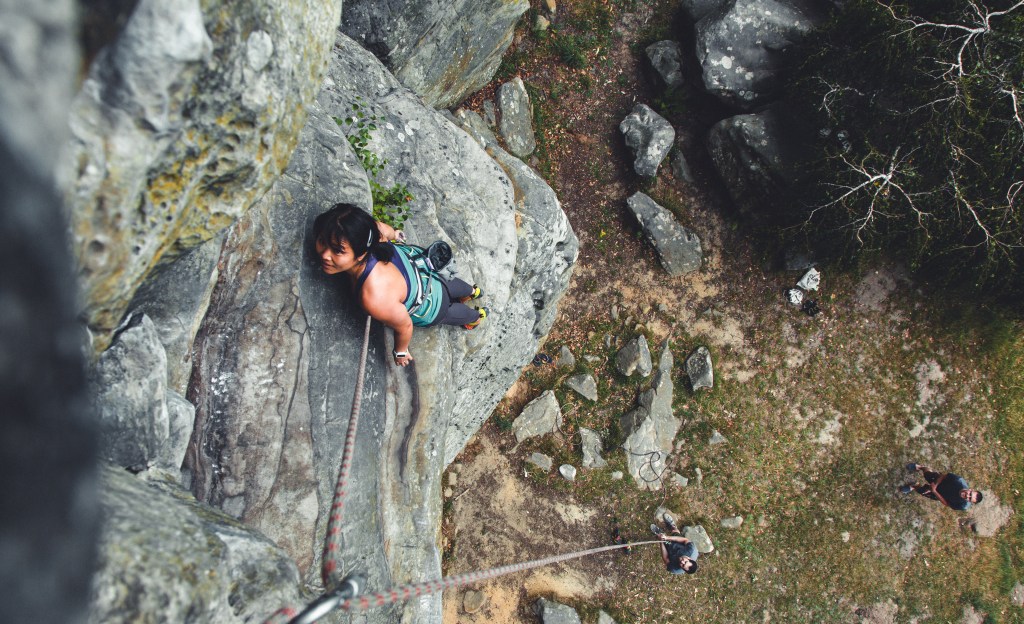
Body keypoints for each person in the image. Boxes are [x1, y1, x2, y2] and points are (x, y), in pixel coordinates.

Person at [313, 203, 486, 367]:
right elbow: (385, 229)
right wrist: (395, 235)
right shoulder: (367, 231)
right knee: (447, 285)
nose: (325, 255)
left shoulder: (373, 296)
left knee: (447, 312)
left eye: (337, 251)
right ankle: (472, 291)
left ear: (361, 254)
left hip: (431, 303)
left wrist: (400, 352)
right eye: (322, 241)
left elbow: (404, 325)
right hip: (422, 270)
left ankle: (476, 317)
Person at [899, 462, 982, 511]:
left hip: (939, 494)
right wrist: (935, 485)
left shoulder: (963, 505)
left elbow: (946, 503)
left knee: (922, 491)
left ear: (970, 501)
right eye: (970, 494)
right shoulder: (958, 480)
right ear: (970, 489)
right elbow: (944, 476)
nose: (967, 496)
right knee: (927, 474)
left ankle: (914, 486)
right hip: (939, 481)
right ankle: (921, 467)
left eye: (969, 498)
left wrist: (934, 491)